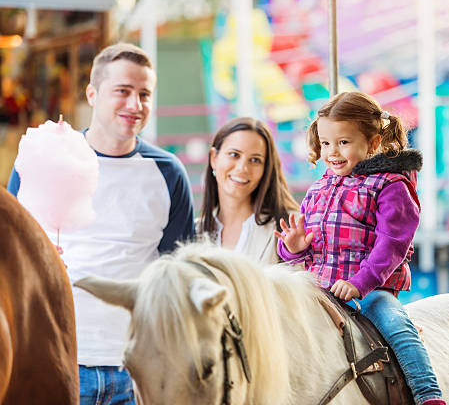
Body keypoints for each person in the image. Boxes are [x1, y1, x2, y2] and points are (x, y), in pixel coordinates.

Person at [8, 43, 195, 405]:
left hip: (135, 366)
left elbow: (177, 277)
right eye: (122, 91)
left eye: (144, 94)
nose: (135, 105)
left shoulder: (169, 173)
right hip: (53, 355)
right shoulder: (42, 159)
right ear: (92, 94)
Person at [275, 91, 445, 405]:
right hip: (319, 287)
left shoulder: (391, 186)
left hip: (370, 290)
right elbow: (312, 247)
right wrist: (294, 249)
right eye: (326, 143)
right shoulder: (320, 187)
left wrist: (359, 284)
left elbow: (392, 246)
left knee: (397, 326)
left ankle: (427, 395)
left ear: (374, 143)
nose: (332, 153)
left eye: (343, 142)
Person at [197, 116, 298, 264]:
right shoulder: (193, 231)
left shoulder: (289, 227)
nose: (243, 168)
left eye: (255, 160)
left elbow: (301, 285)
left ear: (266, 169)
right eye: (234, 155)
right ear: (214, 158)